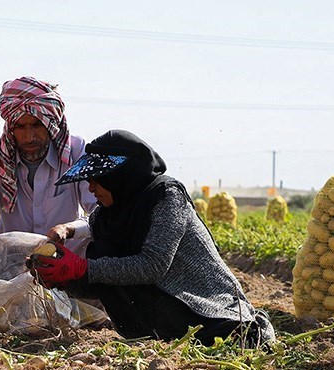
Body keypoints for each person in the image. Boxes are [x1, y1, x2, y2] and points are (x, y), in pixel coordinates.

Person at [27, 129, 276, 348]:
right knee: (99, 251)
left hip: (207, 311)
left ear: (119, 175)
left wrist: (81, 268)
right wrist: (63, 278)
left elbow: (152, 266)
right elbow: (104, 277)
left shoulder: (166, 197)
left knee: (100, 260)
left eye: (96, 179)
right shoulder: (107, 215)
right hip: (165, 321)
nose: (91, 188)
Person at [0, 77, 97, 254]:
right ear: (10, 127)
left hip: (68, 264)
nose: (29, 137)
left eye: (37, 125)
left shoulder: (76, 152)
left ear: (50, 124)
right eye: (20, 127)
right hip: (12, 264)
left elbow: (99, 214)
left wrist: (68, 229)